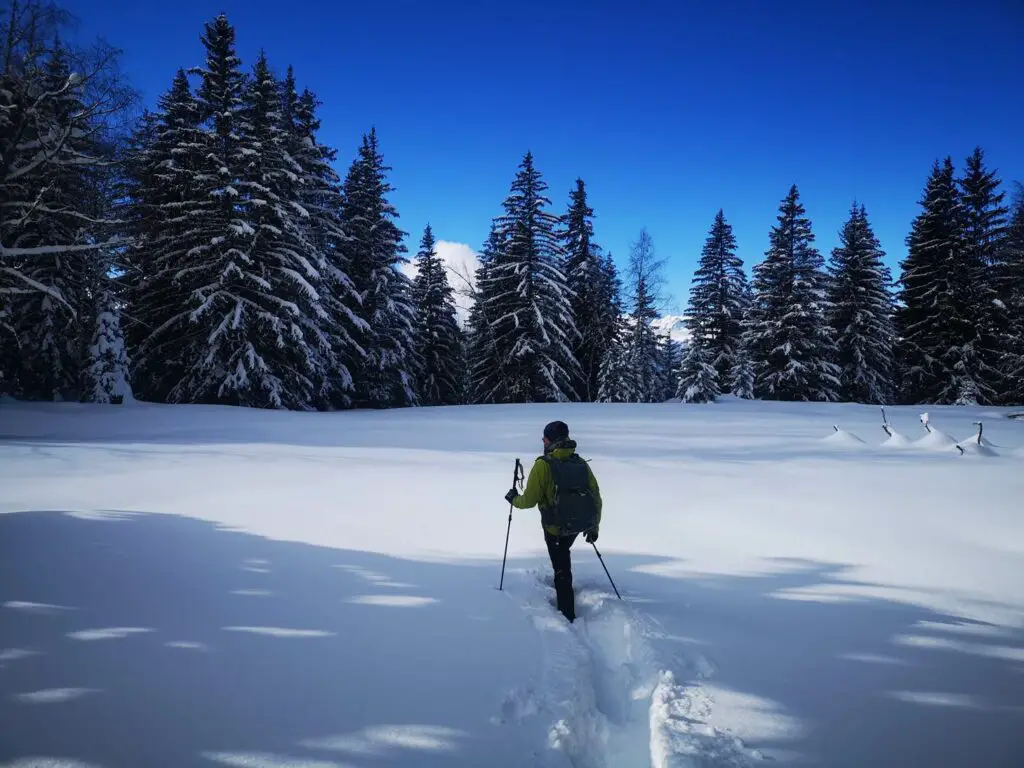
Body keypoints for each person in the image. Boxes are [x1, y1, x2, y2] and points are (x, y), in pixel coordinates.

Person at [504, 420, 602, 622]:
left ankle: (567, 614)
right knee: (563, 554)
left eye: (544, 438)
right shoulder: (580, 463)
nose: (542, 441)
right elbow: (595, 496)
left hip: (554, 528)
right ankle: (564, 590)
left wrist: (514, 498)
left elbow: (529, 501)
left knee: (561, 566)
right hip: (576, 526)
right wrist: (594, 526)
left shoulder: (543, 465)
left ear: (550, 440)